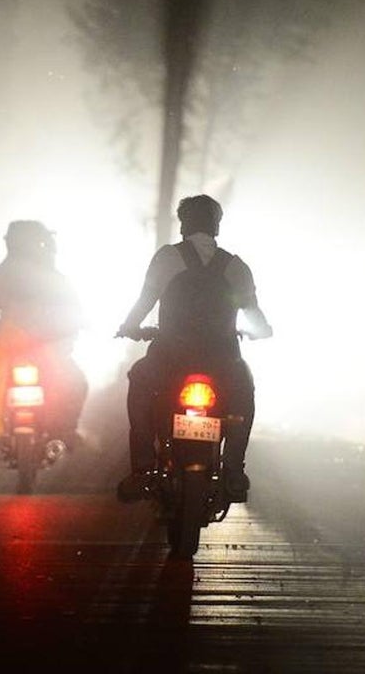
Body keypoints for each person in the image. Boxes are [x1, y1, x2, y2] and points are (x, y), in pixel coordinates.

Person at [115, 194, 272, 503]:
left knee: (141, 385)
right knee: (244, 396)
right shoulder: (236, 266)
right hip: (224, 361)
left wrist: (129, 327)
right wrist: (262, 331)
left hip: (169, 357)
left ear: (183, 223)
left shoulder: (167, 258)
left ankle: (144, 469)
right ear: (217, 225)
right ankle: (234, 470)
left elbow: (145, 300)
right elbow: (253, 312)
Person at [0, 220, 86, 450]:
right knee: (76, 382)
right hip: (46, 345)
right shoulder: (52, 274)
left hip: (12, 344)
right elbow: (75, 309)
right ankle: (66, 431)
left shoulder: (6, 270)